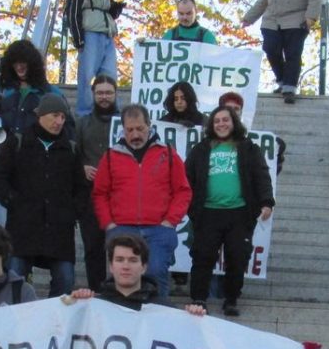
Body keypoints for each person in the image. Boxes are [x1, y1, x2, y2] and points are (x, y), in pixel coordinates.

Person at [0, 93, 88, 297]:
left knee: (65, 279)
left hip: (60, 233)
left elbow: (81, 188)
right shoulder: (17, 142)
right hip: (22, 229)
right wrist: (14, 202)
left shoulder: (71, 149)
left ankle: (54, 326)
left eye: (62, 117)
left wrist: (72, 211)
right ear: (40, 115)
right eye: (54, 115)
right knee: (14, 281)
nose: (59, 121)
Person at [92, 104, 192, 298]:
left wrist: (170, 221)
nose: (135, 134)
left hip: (159, 230)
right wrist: (109, 224)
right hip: (121, 229)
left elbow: (183, 191)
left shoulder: (168, 154)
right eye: (130, 130)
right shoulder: (110, 157)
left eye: (140, 128)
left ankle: (160, 321)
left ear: (149, 126)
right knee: (121, 280)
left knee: (155, 274)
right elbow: (99, 193)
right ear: (123, 129)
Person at [185, 106, 274, 317]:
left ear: (233, 122)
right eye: (216, 121)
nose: (221, 124)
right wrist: (187, 206)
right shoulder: (201, 149)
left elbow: (261, 175)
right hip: (207, 213)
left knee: (238, 257)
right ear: (211, 125)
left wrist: (267, 202)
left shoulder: (248, 148)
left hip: (239, 213)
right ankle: (199, 298)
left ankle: (231, 299)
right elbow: (186, 178)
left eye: (225, 120)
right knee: (202, 256)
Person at [70, 234, 206, 315]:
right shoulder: (94, 305)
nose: (125, 266)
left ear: (144, 267)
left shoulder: (163, 309)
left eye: (133, 260)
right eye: (119, 259)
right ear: (111, 266)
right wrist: (74, 304)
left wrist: (193, 319)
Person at [241, 0, 323, 104]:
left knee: (292, 53)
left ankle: (289, 88)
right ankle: (282, 80)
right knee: (270, 48)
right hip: (272, 19)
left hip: (297, 18)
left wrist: (311, 16)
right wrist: (249, 18)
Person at [0, 40, 74, 151]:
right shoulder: (0, 90)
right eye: (15, 63)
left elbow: (68, 129)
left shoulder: (51, 92)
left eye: (23, 62)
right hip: (4, 158)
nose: (19, 67)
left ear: (32, 63)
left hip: (38, 160)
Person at [74, 74, 117, 290]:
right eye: (100, 92)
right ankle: (97, 291)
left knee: (122, 246)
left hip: (120, 195)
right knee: (92, 247)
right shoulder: (81, 125)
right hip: (90, 196)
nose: (104, 97)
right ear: (93, 94)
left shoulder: (125, 124)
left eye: (108, 92)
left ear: (116, 94)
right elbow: (73, 156)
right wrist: (82, 167)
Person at [67, 0, 125, 118]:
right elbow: (73, 10)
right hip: (90, 34)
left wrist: (115, 9)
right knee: (87, 77)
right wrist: (78, 38)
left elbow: (107, 10)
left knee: (110, 76)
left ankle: (112, 115)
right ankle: (84, 115)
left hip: (108, 34)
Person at [218, 91, 285, 176]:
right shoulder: (206, 138)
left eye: (236, 109)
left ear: (241, 112)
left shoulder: (256, 141)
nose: (232, 112)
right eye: (228, 108)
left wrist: (277, 153)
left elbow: (269, 173)